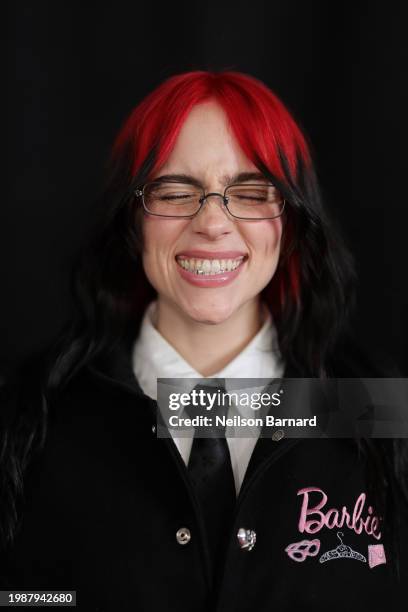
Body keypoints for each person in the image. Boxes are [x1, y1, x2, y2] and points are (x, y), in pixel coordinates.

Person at [0, 70, 407, 611]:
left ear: (290, 221)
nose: (212, 223)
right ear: (132, 219)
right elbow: (20, 599)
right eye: (174, 191)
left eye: (251, 190)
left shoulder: (382, 413)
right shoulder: (26, 415)